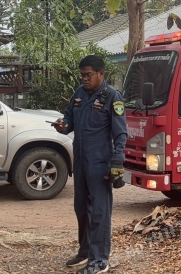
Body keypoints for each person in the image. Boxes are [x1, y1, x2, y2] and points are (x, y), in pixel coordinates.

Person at [51, 55, 127, 274]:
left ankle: (100, 260)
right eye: (82, 75)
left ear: (101, 73)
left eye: (88, 75)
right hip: (81, 161)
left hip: (100, 162)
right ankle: (85, 251)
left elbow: (120, 133)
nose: (84, 79)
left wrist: (117, 160)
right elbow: (69, 118)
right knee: (81, 208)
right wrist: (63, 125)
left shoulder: (112, 97)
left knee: (100, 212)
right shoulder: (80, 93)